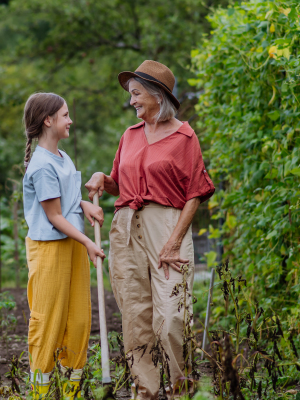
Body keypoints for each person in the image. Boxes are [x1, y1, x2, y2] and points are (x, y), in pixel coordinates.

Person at [85, 60, 215, 399]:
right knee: (135, 313)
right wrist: (103, 177)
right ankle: (145, 389)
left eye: (137, 94)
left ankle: (180, 387)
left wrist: (174, 242)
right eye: (131, 95)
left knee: (172, 314)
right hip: (126, 227)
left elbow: (196, 192)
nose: (132, 101)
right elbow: (118, 184)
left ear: (158, 95)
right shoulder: (128, 136)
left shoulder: (185, 136)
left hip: (167, 225)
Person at [22, 92, 106, 399]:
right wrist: (87, 243)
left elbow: (63, 201)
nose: (70, 120)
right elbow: (53, 215)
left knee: (79, 320)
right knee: (49, 322)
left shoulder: (62, 157)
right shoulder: (42, 165)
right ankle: (40, 395)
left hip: (70, 244)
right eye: (65, 115)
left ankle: (70, 394)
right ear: (48, 120)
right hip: (51, 249)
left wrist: (83, 204)